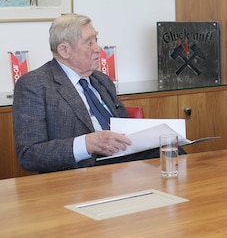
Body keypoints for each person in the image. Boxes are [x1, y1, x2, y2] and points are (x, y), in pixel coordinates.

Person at [12, 14, 159, 173]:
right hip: (82, 170)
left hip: (122, 159)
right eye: (89, 42)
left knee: (169, 151)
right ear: (64, 50)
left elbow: (124, 125)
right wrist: (86, 144)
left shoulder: (101, 80)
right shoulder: (34, 84)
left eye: (96, 40)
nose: (98, 49)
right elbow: (29, 155)